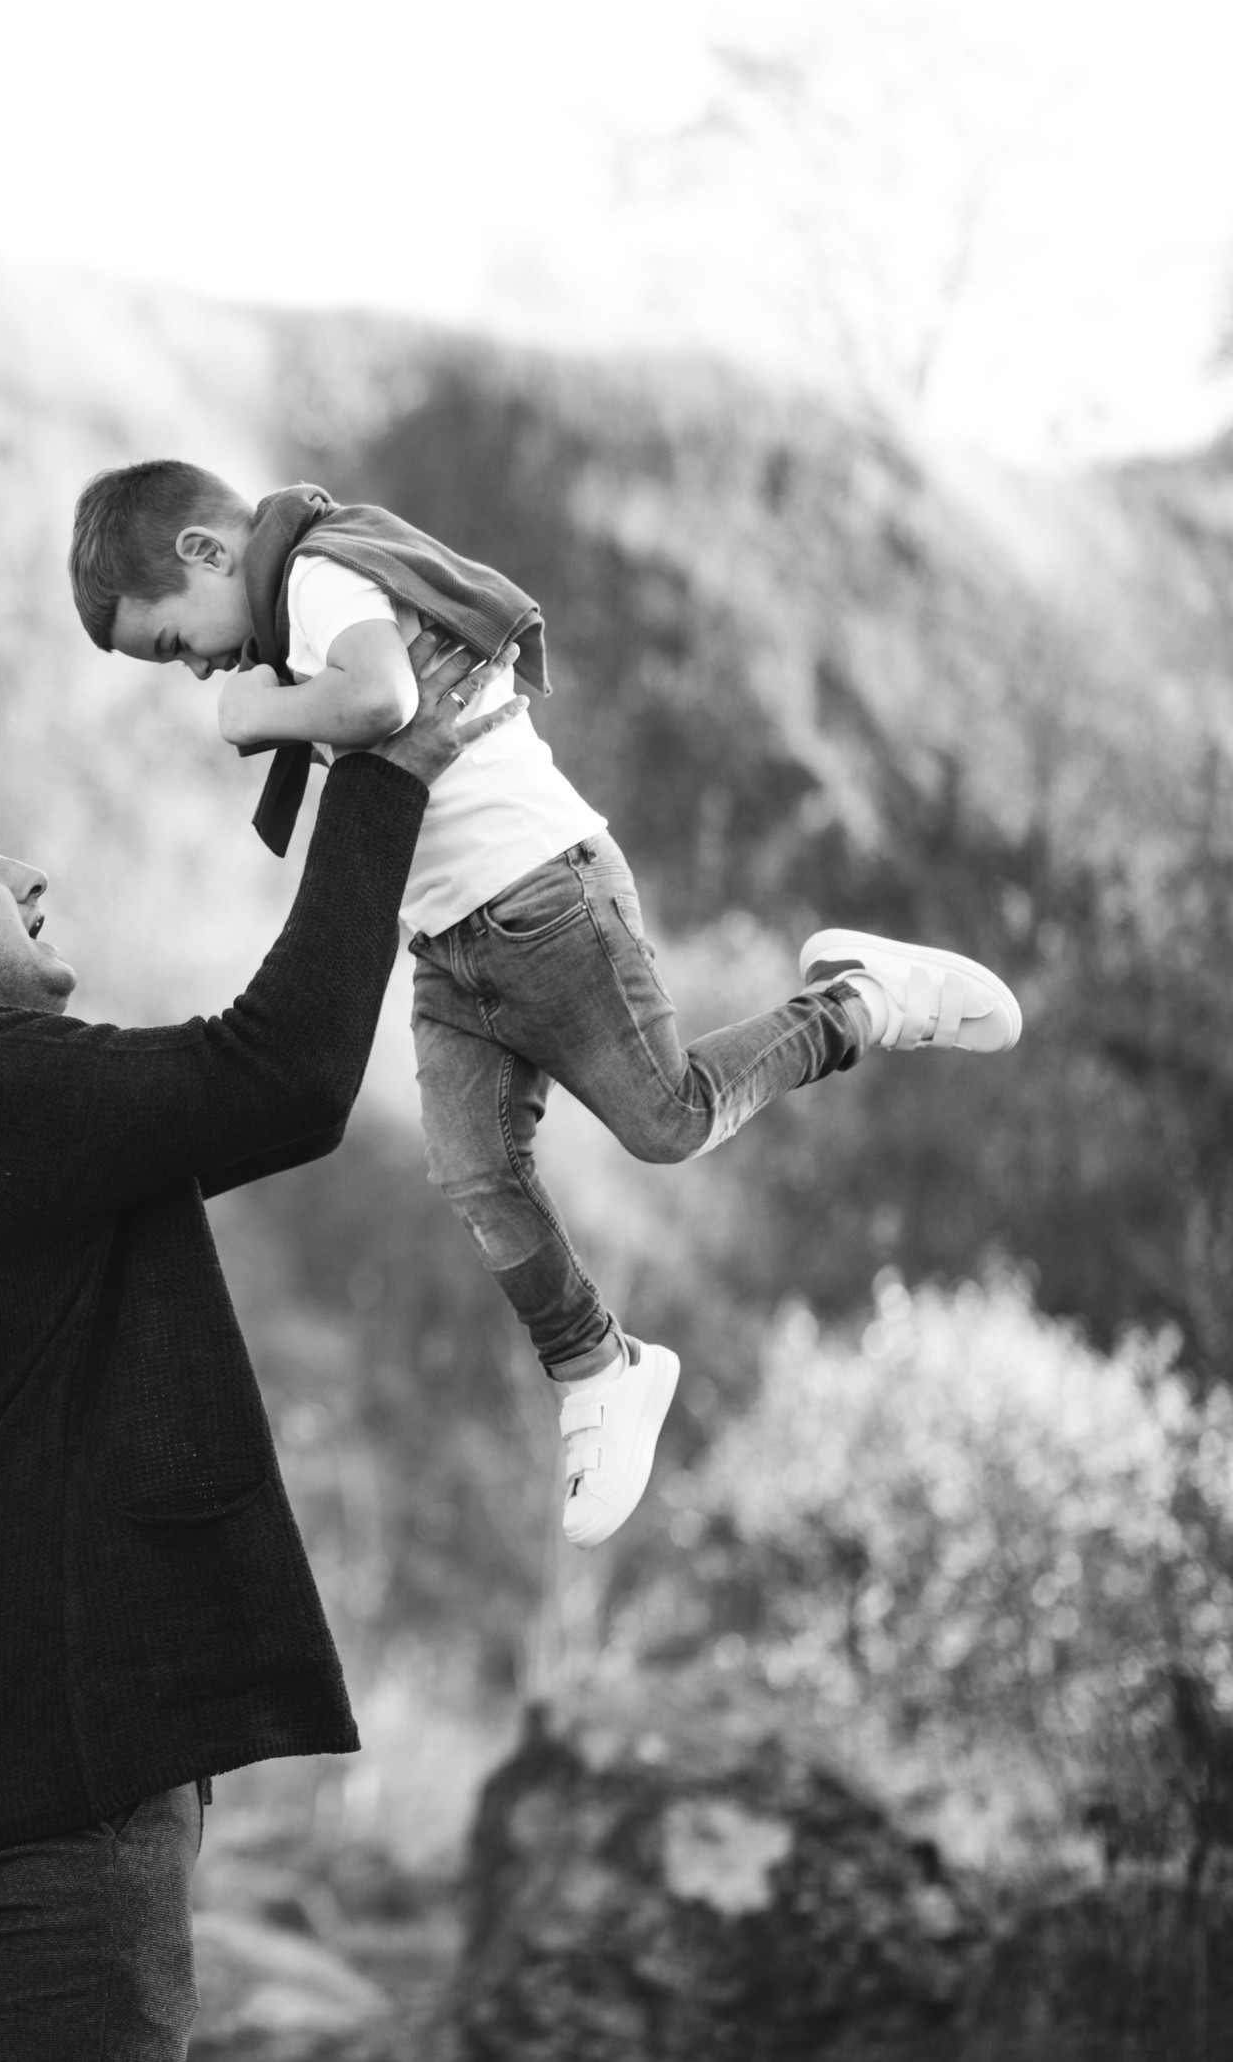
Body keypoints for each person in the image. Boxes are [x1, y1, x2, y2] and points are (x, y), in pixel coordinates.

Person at [0, 643, 518, 2062]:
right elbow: (280, 1075)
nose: (33, 876)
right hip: (61, 1736)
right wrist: (389, 767)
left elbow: (250, 1088)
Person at [67, 462, 1027, 1546]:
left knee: (665, 1118)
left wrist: (262, 714)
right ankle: (594, 1369)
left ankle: (861, 1001)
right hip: (446, 942)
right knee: (472, 1166)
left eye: (172, 642)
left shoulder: (321, 577)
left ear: (202, 553)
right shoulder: (292, 602)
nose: (194, 669)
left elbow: (381, 698)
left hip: (539, 892)